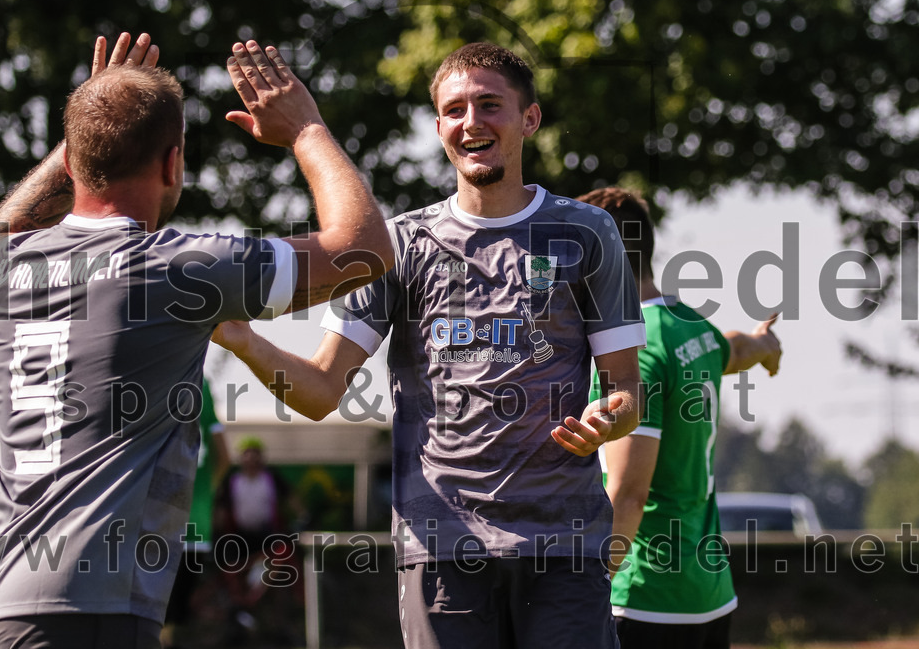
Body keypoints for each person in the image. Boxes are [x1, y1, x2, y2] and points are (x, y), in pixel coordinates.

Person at [0, 31, 393, 649]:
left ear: (78, 158)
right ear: (172, 164)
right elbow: (364, 249)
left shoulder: (9, 267)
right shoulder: (174, 268)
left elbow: (4, 229)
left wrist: (86, 128)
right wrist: (306, 131)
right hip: (92, 608)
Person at [212, 42, 646, 649]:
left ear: (530, 118)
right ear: (439, 126)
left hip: (564, 542)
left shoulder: (587, 232)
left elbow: (628, 389)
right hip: (441, 545)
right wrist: (241, 338)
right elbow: (318, 390)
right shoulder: (399, 246)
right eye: (455, 109)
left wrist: (610, 418)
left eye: (491, 105)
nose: (472, 122)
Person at [578, 187, 782, 649]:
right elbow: (737, 349)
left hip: (643, 597)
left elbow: (630, 494)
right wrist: (767, 347)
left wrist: (586, 589)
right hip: (708, 594)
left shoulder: (634, 352)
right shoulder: (689, 325)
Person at [160, 379, 229, 649]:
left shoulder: (153, 379)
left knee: (154, 612)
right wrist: (205, 495)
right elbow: (224, 456)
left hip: (157, 526)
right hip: (196, 526)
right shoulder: (201, 385)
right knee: (175, 615)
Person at [213, 436, 289, 633]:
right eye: (247, 455)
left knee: (281, 556)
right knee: (230, 565)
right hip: (239, 536)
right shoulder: (233, 481)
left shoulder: (270, 478)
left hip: (266, 534)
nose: (251, 459)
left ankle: (255, 599)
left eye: (255, 455)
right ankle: (238, 604)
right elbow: (222, 509)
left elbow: (291, 498)